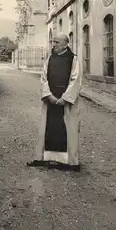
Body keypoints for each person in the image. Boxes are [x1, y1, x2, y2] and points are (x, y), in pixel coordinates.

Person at [27, 33, 82, 171]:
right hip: (50, 100)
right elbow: (43, 78)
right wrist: (49, 96)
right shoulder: (49, 59)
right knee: (46, 128)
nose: (54, 44)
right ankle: (44, 158)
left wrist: (65, 98)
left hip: (66, 103)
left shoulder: (73, 60)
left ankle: (70, 162)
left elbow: (76, 80)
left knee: (68, 129)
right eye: (53, 42)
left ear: (65, 43)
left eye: (57, 42)